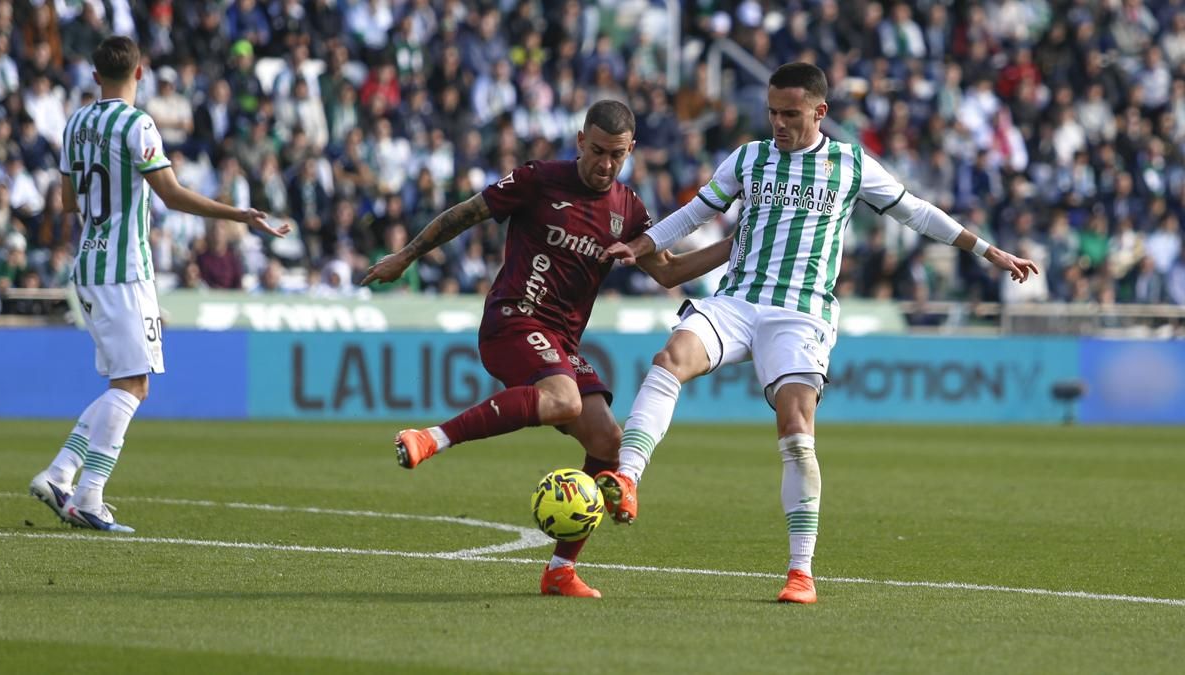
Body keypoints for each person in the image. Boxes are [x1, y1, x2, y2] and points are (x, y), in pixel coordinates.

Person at [594, 63, 1039, 604]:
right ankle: (628, 478)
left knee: (796, 428)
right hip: (736, 301)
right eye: (772, 113)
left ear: (819, 112)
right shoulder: (749, 158)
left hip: (801, 314)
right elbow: (692, 216)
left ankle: (800, 571)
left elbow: (919, 214)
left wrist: (988, 250)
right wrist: (640, 246)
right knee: (670, 359)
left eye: (790, 114)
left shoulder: (850, 164)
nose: (778, 123)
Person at [360, 100, 733, 598]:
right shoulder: (540, 179)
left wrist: (737, 244)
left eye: (616, 155)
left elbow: (668, 272)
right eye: (597, 151)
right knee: (564, 399)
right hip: (513, 320)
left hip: (560, 340)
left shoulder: (628, 209)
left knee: (609, 443)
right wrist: (406, 256)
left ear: (631, 151)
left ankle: (560, 570)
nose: (605, 164)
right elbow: (467, 213)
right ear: (580, 141)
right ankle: (432, 438)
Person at [28, 37, 290, 533]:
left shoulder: (75, 123)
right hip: (126, 269)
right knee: (135, 385)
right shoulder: (138, 124)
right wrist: (239, 214)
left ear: (95, 75)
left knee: (125, 384)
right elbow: (170, 194)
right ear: (140, 73)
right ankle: (86, 494)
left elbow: (66, 201)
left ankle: (62, 475)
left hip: (89, 266)